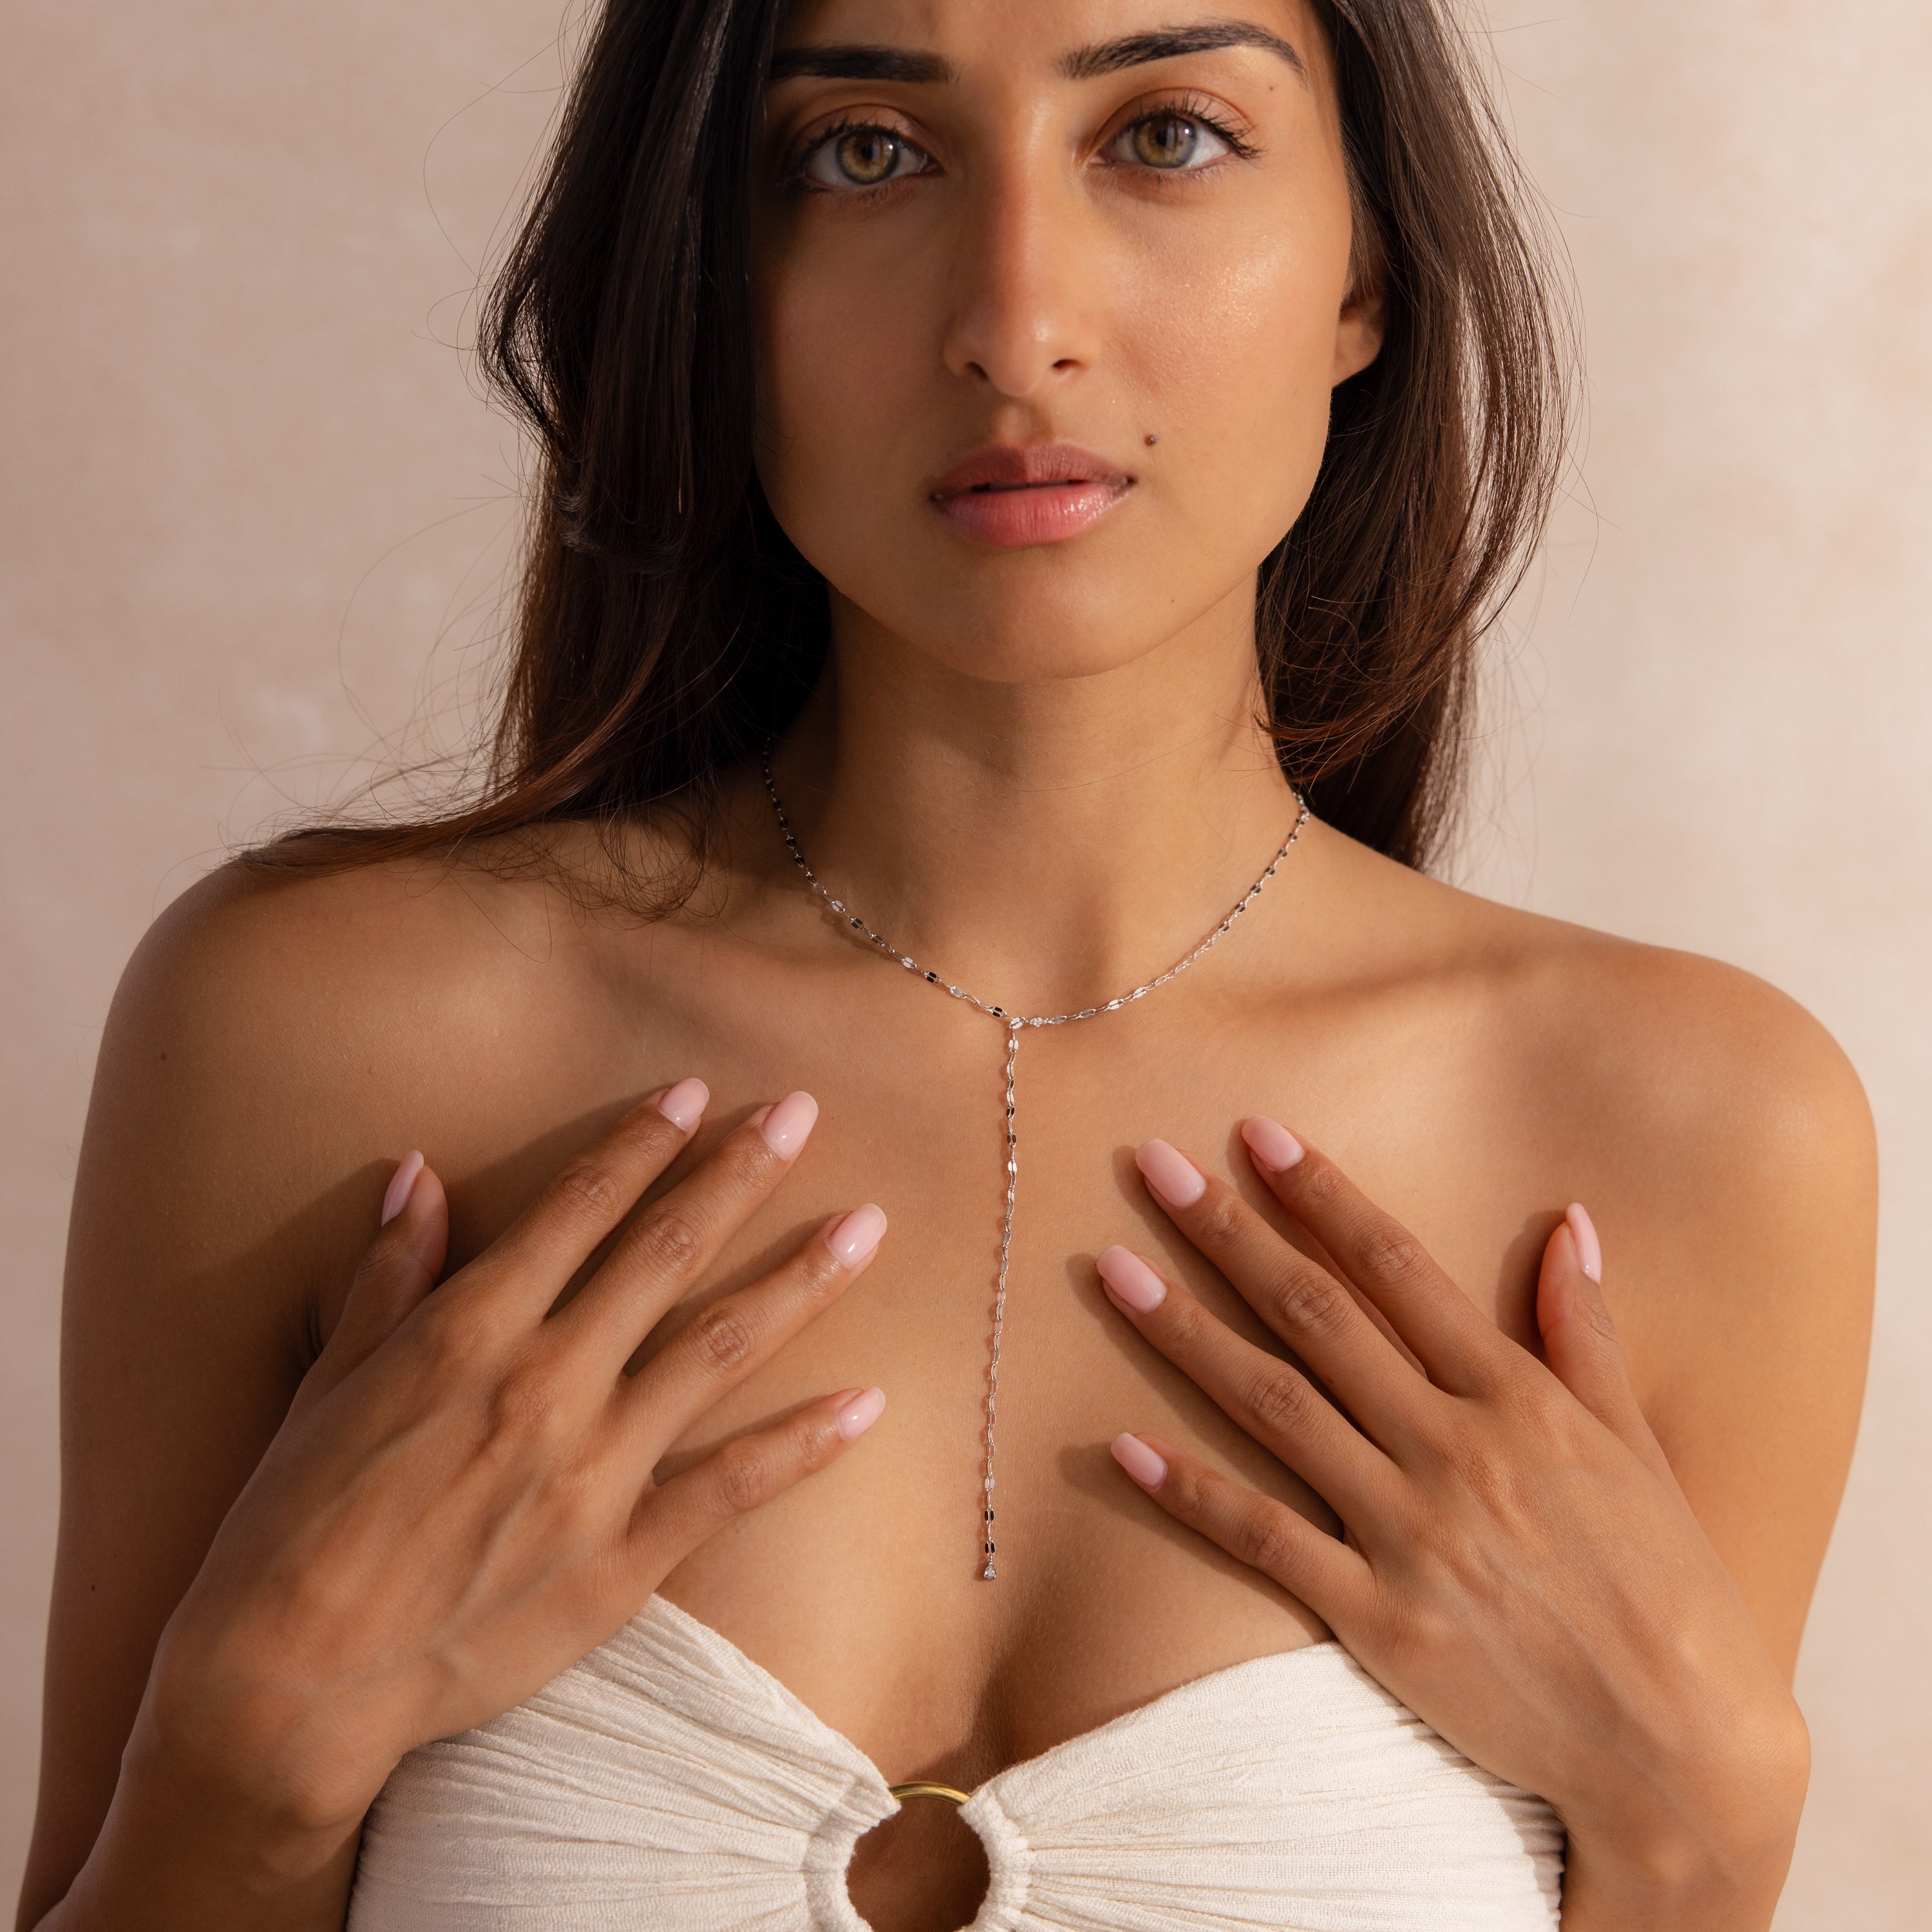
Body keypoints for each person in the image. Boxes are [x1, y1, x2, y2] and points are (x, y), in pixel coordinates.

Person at [17, 2, 1876, 1929]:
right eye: (864, 152)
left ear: (1366, 272)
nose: (1015, 323)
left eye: (1164, 134)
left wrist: (1703, 1845)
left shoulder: (1693, 1135)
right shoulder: (319, 1044)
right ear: (711, 283)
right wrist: (238, 1774)